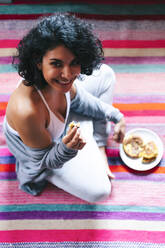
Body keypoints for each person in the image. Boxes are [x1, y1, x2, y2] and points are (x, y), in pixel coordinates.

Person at [3, 13, 125, 202]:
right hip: (49, 154)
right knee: (100, 192)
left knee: (106, 74)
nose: (67, 74)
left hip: (62, 127)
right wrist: (68, 148)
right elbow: (43, 161)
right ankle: (87, 133)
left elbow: (79, 98)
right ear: (38, 61)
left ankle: (98, 144)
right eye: (56, 64)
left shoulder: (60, 81)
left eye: (74, 62)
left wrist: (116, 116)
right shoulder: (27, 112)